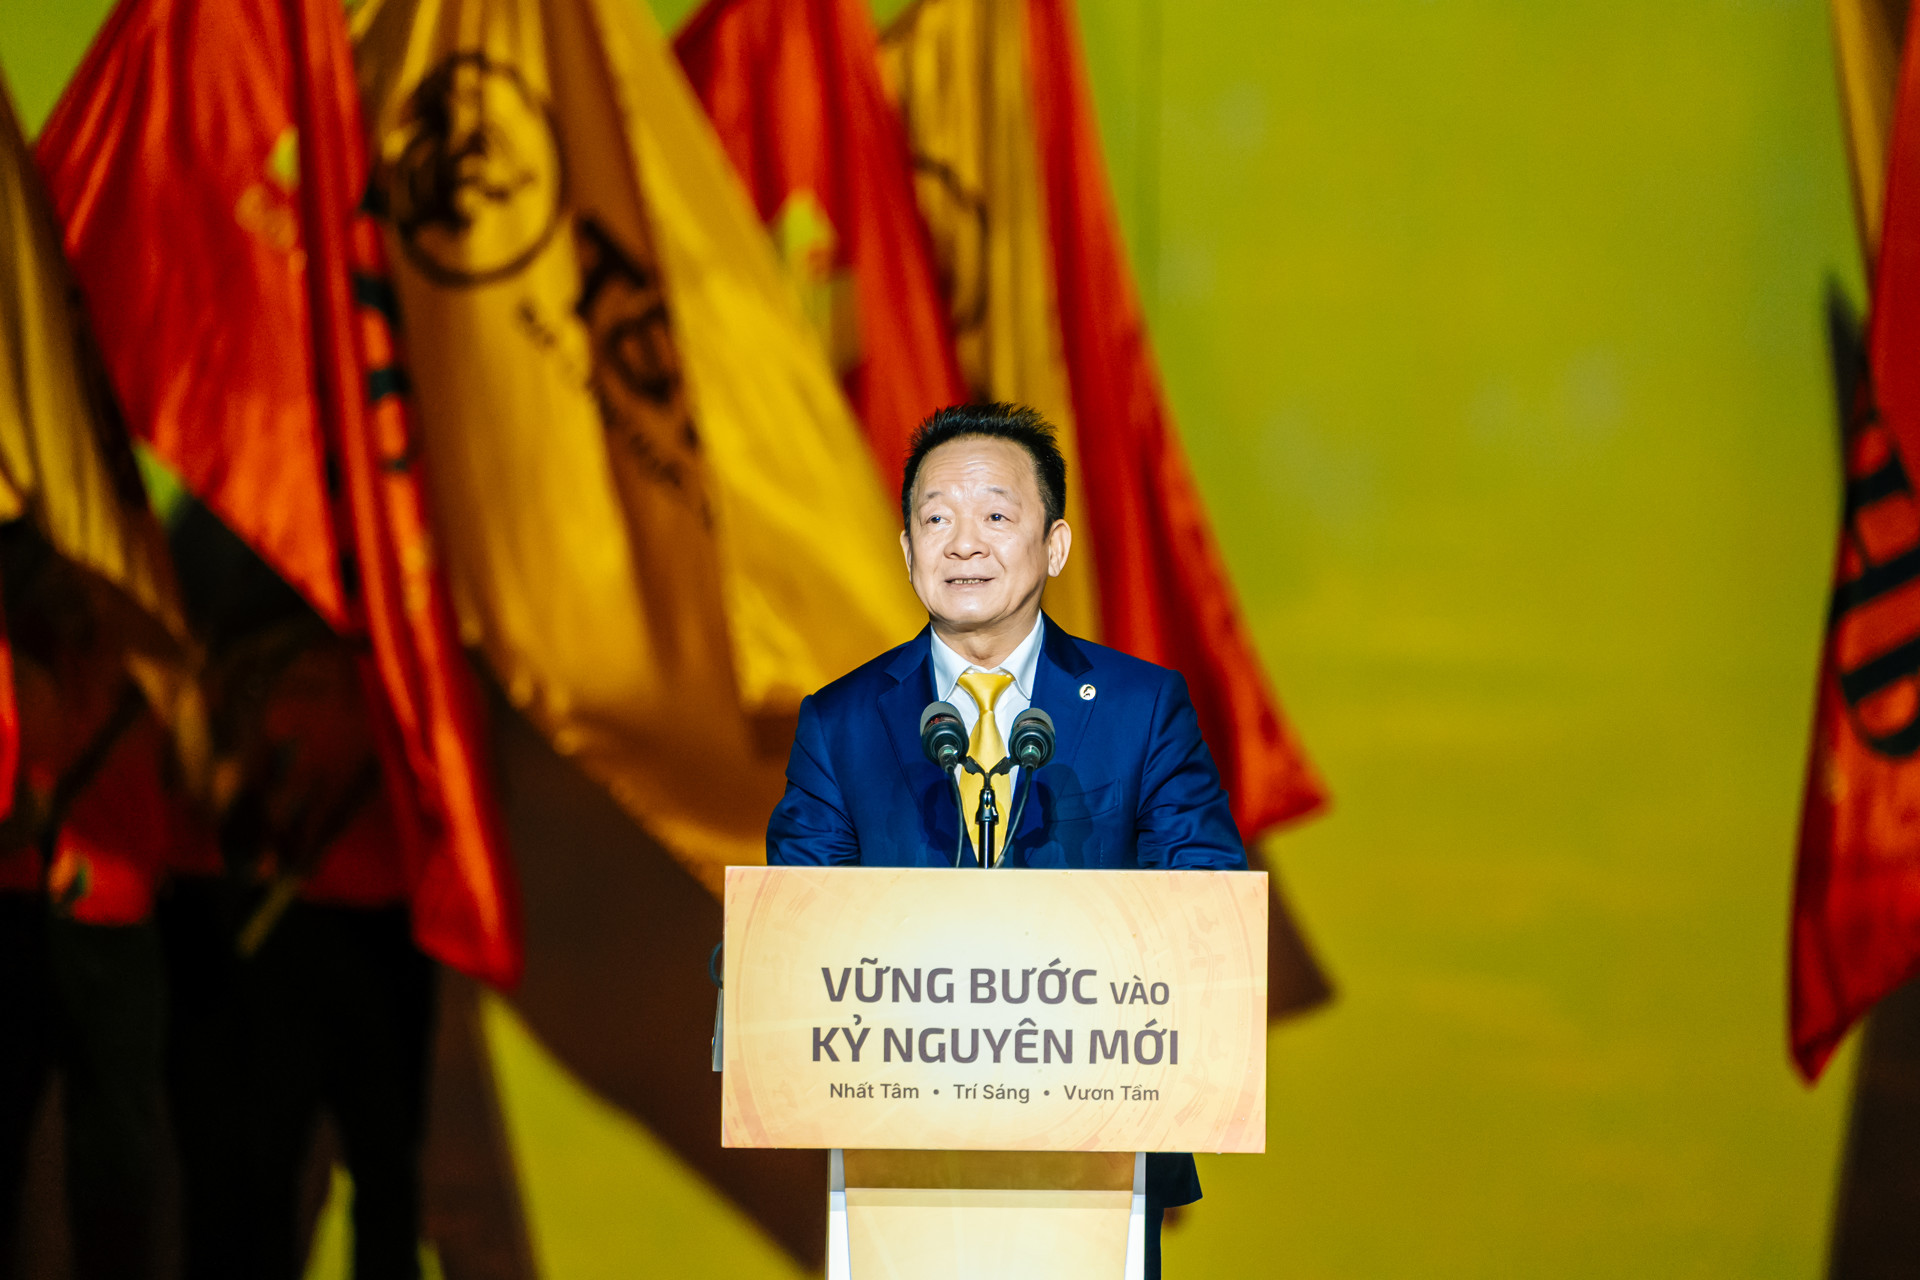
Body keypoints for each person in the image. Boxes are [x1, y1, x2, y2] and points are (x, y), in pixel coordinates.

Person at [766, 401, 1247, 1278]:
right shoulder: (841, 722)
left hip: (1097, 1155)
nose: (963, 544)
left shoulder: (1142, 709)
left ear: (1054, 545)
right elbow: (795, 928)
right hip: (897, 1161)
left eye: (995, 515)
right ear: (907, 549)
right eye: (935, 519)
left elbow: (1206, 908)